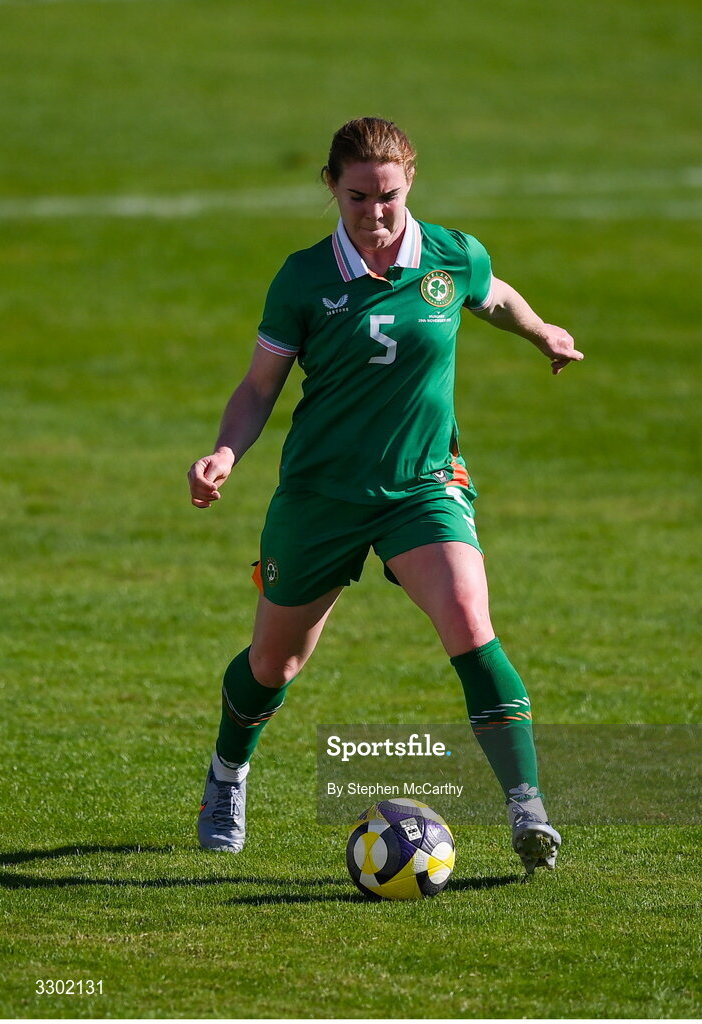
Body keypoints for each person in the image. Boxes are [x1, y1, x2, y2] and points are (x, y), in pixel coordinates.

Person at [188, 117, 583, 875]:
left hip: (422, 485)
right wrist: (225, 453)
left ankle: (526, 805)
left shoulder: (448, 254)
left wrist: (541, 333)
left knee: (469, 619)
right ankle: (226, 776)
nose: (375, 213)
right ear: (332, 188)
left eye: (390, 196)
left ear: (410, 185)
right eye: (359, 197)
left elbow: (492, 294)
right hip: (321, 495)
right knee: (274, 664)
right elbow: (258, 386)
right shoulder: (304, 278)